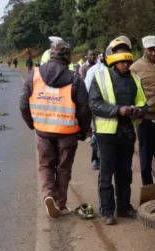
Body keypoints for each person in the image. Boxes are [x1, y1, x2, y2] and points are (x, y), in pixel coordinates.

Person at [19, 39, 91, 218]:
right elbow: (84, 110)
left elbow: (23, 104)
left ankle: (48, 195)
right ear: (67, 56)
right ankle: (60, 203)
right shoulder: (75, 79)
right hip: (68, 133)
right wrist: (83, 131)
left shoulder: (34, 75)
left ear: (51, 55)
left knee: (45, 166)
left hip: (43, 131)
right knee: (63, 169)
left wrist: (32, 124)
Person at [89, 36, 147, 225]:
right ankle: (107, 211)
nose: (125, 64)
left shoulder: (135, 79)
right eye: (122, 61)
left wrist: (139, 111)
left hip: (127, 133)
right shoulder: (100, 77)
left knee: (125, 172)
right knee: (106, 173)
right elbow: (94, 104)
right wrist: (117, 110)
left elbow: (142, 102)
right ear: (114, 60)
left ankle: (123, 207)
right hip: (107, 134)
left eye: (127, 61)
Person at [130, 36, 155, 185]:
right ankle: (148, 192)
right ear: (144, 50)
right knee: (146, 160)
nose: (153, 53)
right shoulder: (135, 68)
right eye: (150, 50)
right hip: (146, 120)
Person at [85, 53, 108, 170]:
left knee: (96, 133)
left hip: (96, 107)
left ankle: (96, 159)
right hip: (104, 108)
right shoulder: (111, 70)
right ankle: (97, 159)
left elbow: (86, 88)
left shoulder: (92, 70)